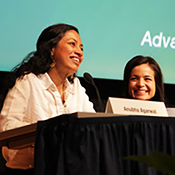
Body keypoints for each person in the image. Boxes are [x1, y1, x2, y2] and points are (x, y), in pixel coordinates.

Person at [0, 23, 95, 174]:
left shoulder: (76, 87)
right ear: (52, 49)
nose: (79, 52)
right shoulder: (29, 81)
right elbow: (7, 127)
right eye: (72, 44)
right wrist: (45, 137)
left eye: (82, 48)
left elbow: (93, 126)